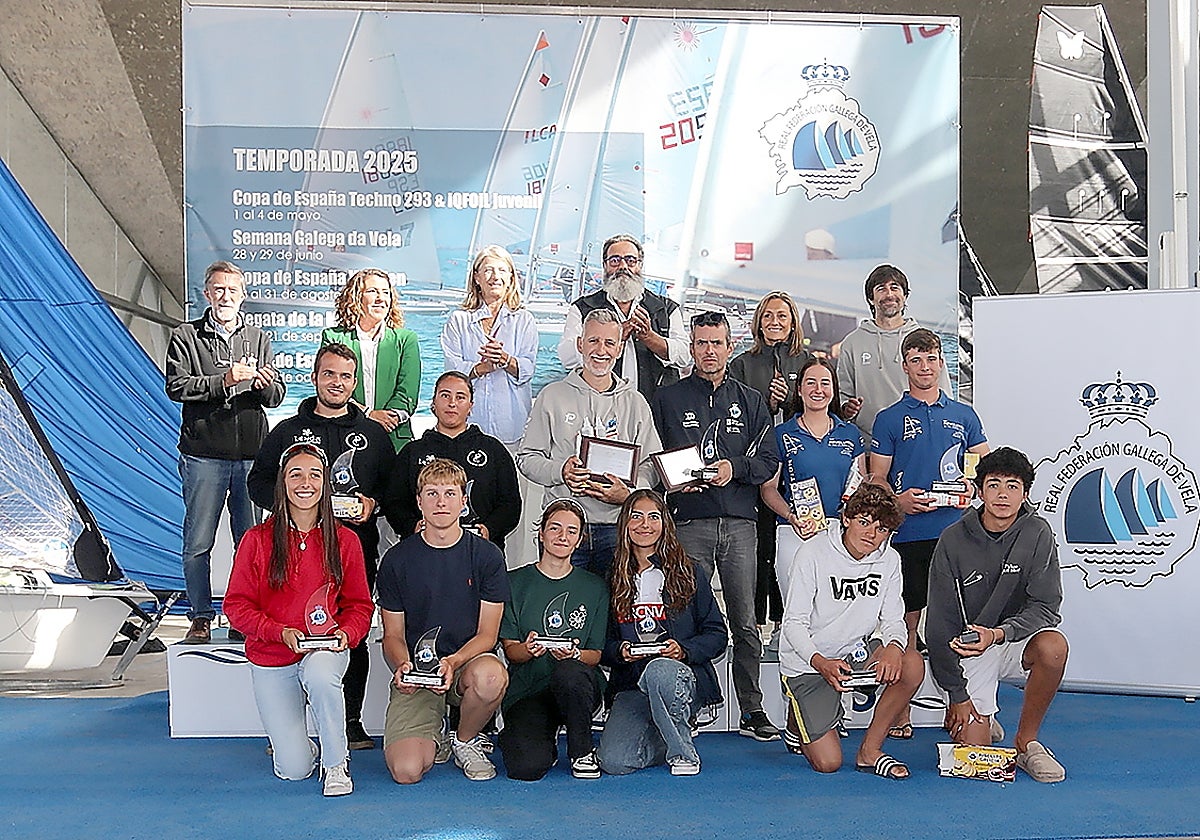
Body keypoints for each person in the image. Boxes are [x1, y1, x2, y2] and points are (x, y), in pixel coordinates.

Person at [247, 343, 393, 752]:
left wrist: (373, 504)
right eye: (329, 374)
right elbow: (257, 483)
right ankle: (290, 725)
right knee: (292, 622)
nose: (337, 383)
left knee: (351, 631)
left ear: (354, 381)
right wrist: (291, 502)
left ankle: (350, 720)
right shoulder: (287, 431)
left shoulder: (373, 434)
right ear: (314, 378)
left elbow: (394, 489)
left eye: (345, 376)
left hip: (353, 548)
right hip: (292, 549)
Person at [651, 310, 781, 742]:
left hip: (741, 523)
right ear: (692, 346)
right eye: (702, 343)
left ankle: (752, 708)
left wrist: (735, 467)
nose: (710, 351)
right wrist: (673, 483)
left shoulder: (751, 399)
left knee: (745, 619)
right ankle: (692, 702)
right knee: (688, 617)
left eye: (717, 343)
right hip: (690, 522)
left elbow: (768, 461)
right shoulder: (668, 398)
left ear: (730, 347)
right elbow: (657, 460)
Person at [224, 442, 373, 796]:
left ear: (325, 483)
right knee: (293, 770)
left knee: (321, 674)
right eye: (296, 474)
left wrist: (347, 634)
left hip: (325, 650)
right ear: (282, 482)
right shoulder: (256, 540)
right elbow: (236, 606)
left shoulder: (346, 540)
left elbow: (360, 605)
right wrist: (278, 632)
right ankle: (309, 751)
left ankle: (337, 764)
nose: (305, 483)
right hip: (273, 656)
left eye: (314, 475)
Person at [869, 328, 988, 738]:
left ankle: (970, 705)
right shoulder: (888, 419)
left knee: (960, 617)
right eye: (916, 360)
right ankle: (900, 708)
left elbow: (982, 468)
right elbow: (877, 477)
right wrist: (897, 501)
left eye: (932, 358)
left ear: (942, 363)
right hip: (908, 535)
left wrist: (973, 488)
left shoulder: (965, 415)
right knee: (907, 623)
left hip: (957, 534)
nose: (925, 367)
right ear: (905, 366)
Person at [926, 447, 1069, 783]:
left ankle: (1026, 743)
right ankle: (980, 718)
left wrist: (1001, 633)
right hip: (971, 646)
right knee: (974, 755)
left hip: (1013, 639)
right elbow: (939, 624)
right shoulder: (952, 538)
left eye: (1012, 486)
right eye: (993, 485)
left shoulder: (1038, 532)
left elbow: (1047, 607)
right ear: (979, 491)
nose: (1003, 494)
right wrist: (957, 696)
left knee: (1054, 647)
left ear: (1026, 493)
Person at [166, 260, 285, 644]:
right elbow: (177, 386)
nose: (225, 296)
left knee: (249, 542)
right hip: (203, 456)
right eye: (218, 290)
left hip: (251, 457)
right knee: (198, 541)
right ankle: (199, 616)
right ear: (206, 294)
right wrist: (225, 380)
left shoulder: (258, 337)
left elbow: (276, 396)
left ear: (243, 296)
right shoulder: (186, 335)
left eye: (232, 291)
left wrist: (265, 385)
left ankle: (241, 617)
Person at [376, 458, 510, 783]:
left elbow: (488, 634)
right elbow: (392, 635)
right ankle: (434, 729)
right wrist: (402, 666)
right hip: (419, 673)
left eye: (450, 493)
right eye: (432, 493)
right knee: (406, 772)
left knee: (491, 677)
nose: (440, 502)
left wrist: (454, 660)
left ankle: (463, 740)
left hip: (465, 664)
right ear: (419, 501)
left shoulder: (487, 556)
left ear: (464, 502)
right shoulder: (396, 560)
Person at [778, 483, 922, 779]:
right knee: (828, 763)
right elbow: (793, 624)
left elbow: (895, 620)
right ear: (846, 518)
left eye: (881, 529)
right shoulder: (813, 553)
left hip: (856, 654)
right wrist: (821, 663)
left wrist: (894, 647)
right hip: (810, 663)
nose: (871, 535)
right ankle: (797, 721)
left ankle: (870, 751)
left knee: (911, 664)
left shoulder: (890, 560)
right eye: (864, 522)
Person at [518, 309, 661, 576]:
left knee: (613, 612)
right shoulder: (552, 396)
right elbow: (527, 459)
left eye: (609, 343)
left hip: (617, 527)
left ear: (619, 349)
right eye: (593, 341)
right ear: (580, 344)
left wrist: (629, 494)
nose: (601, 350)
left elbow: (651, 465)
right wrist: (560, 471)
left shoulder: (635, 402)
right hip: (566, 527)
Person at [597, 490, 728, 776]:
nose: (645, 525)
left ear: (665, 523)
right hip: (632, 683)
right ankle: (669, 733)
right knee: (615, 762)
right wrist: (619, 652)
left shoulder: (689, 571)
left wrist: (683, 650)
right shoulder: (612, 576)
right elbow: (601, 644)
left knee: (660, 670)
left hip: (678, 677)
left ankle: (684, 754)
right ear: (624, 524)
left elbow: (717, 634)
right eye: (636, 516)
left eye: (653, 517)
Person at [498, 499, 608, 780]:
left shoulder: (595, 587)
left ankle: (582, 751)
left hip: (577, 688)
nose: (562, 536)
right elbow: (511, 651)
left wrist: (573, 655)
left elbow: (595, 654)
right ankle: (535, 735)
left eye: (571, 531)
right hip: (530, 690)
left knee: (570, 672)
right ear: (541, 533)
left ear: (580, 540)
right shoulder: (514, 582)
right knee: (526, 768)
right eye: (555, 528)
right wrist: (529, 649)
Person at [729, 291, 813, 643]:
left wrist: (789, 401)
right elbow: (732, 413)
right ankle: (754, 622)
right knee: (758, 545)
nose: (775, 322)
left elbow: (817, 406)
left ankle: (785, 620)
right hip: (755, 468)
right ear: (758, 322)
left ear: (793, 321)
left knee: (789, 544)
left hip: (797, 468)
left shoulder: (807, 360)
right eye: (768, 316)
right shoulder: (742, 363)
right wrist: (768, 401)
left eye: (782, 316)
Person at [760, 357, 866, 594]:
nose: (818, 390)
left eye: (825, 383)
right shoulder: (782, 434)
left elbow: (862, 483)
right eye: (811, 383)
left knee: (835, 609)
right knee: (797, 610)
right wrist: (791, 516)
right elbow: (768, 488)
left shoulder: (850, 433)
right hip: (794, 530)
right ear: (799, 389)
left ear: (833, 389)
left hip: (840, 532)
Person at [383, 370, 521, 552]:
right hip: (423, 550)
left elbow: (510, 503)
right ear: (434, 402)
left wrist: (489, 529)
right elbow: (394, 502)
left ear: (471, 405)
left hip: (480, 551)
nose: (452, 403)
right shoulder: (412, 452)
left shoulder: (493, 450)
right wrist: (412, 526)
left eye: (460, 397)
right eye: (445, 395)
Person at [556, 234, 689, 404]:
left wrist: (649, 337)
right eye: (615, 261)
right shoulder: (583, 308)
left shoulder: (666, 308)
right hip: (598, 405)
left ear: (639, 266)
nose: (623, 267)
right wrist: (613, 337)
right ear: (605, 265)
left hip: (656, 408)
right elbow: (566, 357)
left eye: (630, 260)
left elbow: (685, 356)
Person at [835, 264, 950, 449]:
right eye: (881, 289)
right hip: (869, 447)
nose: (889, 294)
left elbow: (944, 394)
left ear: (905, 296)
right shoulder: (852, 342)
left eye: (895, 288)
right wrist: (847, 409)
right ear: (871, 298)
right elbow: (842, 396)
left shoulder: (925, 339)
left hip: (919, 444)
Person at [440, 245, 539, 449]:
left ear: (511, 277)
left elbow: (528, 369)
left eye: (502, 270)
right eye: (488, 270)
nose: (495, 276)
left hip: (512, 428)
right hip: (467, 426)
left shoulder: (523, 320)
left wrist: (505, 360)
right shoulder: (459, 320)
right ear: (476, 277)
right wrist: (479, 369)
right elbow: (451, 370)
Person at [321, 268, 420, 451]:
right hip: (346, 434)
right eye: (373, 291)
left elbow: (408, 391)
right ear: (357, 297)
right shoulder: (333, 337)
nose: (380, 298)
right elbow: (332, 387)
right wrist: (368, 415)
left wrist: (388, 418)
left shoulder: (406, 339)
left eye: (385, 292)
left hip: (394, 437)